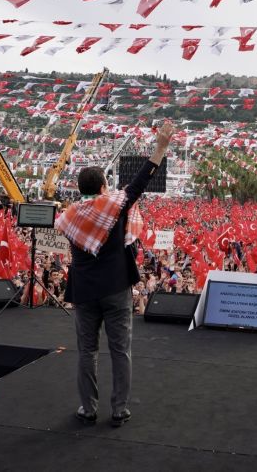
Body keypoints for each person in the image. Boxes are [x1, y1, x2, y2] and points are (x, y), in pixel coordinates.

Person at [55, 120, 173, 428]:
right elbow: (139, 183)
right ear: (104, 188)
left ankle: (87, 408)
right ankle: (119, 410)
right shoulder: (115, 206)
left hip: (84, 290)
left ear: (80, 189)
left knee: (86, 352)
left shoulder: (69, 217)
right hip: (116, 287)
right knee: (121, 350)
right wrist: (160, 147)